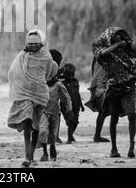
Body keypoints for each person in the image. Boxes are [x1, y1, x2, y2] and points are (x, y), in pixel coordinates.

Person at [7, 29, 58, 167]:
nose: (33, 46)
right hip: (25, 93)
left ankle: (31, 155)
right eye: (30, 44)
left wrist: (37, 84)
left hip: (40, 93)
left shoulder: (47, 58)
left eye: (36, 44)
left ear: (42, 43)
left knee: (36, 125)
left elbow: (46, 74)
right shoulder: (22, 56)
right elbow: (13, 72)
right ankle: (27, 155)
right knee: (28, 121)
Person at [93, 27, 136, 158]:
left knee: (132, 115)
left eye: (121, 37)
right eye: (116, 37)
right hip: (114, 87)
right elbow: (102, 55)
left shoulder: (128, 51)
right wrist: (116, 46)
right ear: (110, 39)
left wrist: (124, 46)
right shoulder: (105, 50)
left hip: (128, 87)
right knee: (114, 117)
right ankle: (114, 149)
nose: (120, 39)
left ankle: (132, 148)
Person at [38, 49, 72, 161]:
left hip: (55, 111)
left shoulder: (58, 84)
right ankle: (44, 152)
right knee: (43, 130)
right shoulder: (41, 83)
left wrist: (69, 109)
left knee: (53, 133)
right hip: (43, 110)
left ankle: (52, 147)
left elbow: (66, 97)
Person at [85, 57, 110, 143]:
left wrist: (93, 76)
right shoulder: (108, 55)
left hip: (98, 84)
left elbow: (93, 62)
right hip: (100, 85)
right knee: (102, 112)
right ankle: (97, 136)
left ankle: (97, 135)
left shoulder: (100, 54)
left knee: (102, 111)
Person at [59, 63, 84, 144]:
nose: (71, 77)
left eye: (72, 74)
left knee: (75, 122)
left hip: (76, 104)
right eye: (69, 75)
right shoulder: (62, 84)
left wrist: (81, 105)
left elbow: (78, 93)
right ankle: (69, 137)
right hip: (66, 106)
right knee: (70, 122)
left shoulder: (75, 82)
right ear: (64, 75)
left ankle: (71, 135)